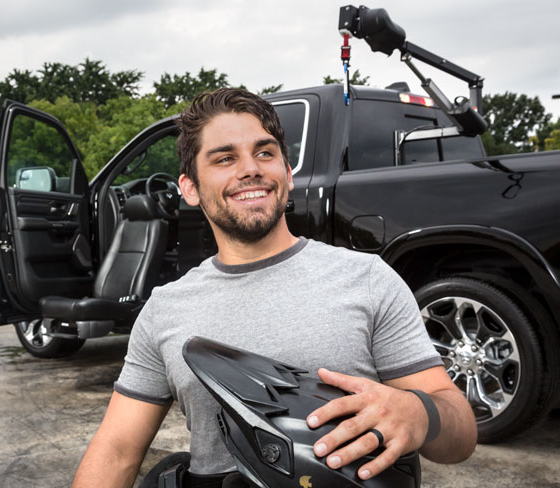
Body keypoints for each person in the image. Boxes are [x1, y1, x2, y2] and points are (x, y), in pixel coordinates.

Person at [72, 88, 477, 488]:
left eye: (265, 153)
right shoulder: (165, 309)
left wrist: (421, 413)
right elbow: (118, 448)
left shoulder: (367, 279)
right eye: (225, 158)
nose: (250, 168)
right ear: (190, 188)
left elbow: (460, 438)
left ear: (287, 172)